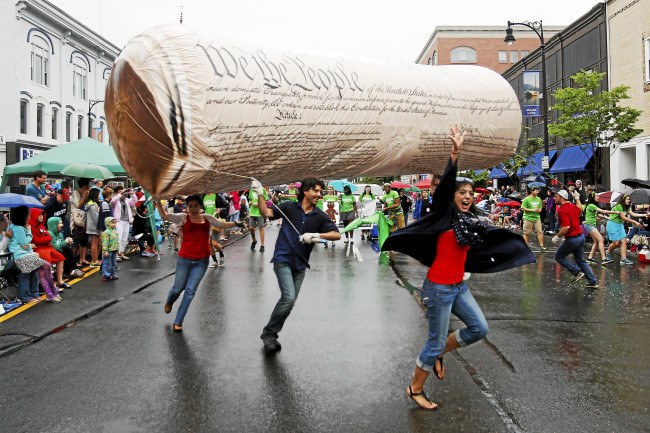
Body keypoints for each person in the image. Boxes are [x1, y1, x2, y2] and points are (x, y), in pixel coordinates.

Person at [381, 126, 534, 410]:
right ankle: (415, 388)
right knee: (433, 341)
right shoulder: (443, 215)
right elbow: (443, 191)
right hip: (438, 288)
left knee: (479, 328)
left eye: (470, 193)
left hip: (458, 286)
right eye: (461, 192)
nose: (467, 196)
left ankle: (441, 352)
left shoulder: (470, 223)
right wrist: (455, 153)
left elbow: (485, 243)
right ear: (451, 196)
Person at [252, 177, 341, 355]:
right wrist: (260, 194)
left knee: (289, 303)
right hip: (282, 259)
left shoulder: (320, 215)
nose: (319, 194)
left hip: (300, 264)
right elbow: (267, 214)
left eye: (320, 192)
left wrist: (317, 235)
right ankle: (269, 335)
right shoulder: (288, 207)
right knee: (289, 298)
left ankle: (270, 333)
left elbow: (336, 235)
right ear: (306, 191)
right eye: (315, 191)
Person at [154, 195, 243, 332]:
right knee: (178, 289)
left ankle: (178, 321)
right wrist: (158, 202)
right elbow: (165, 216)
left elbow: (222, 224)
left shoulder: (207, 218)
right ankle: (170, 300)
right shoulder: (182, 217)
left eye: (196, 206)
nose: (193, 209)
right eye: (190, 206)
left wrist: (237, 223)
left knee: (190, 291)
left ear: (200, 206)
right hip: (184, 260)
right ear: (187, 207)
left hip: (201, 261)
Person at [8, 206, 61, 303]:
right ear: (23, 216)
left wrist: (28, 245)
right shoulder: (19, 228)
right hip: (22, 257)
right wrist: (29, 232)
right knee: (46, 266)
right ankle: (51, 292)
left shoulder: (14, 227)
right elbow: (26, 243)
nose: (29, 217)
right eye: (28, 215)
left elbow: (26, 245)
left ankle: (47, 294)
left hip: (26, 254)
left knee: (40, 271)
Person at [551, 189, 599, 288]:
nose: (554, 198)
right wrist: (577, 198)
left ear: (562, 198)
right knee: (581, 260)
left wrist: (557, 236)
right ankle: (593, 282)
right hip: (581, 237)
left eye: (556, 197)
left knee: (558, 256)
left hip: (572, 239)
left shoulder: (562, 210)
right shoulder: (572, 206)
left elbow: (566, 227)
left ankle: (577, 272)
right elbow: (579, 209)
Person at [29, 208, 70, 290]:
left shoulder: (41, 226)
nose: (41, 217)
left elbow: (48, 238)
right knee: (48, 262)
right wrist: (45, 239)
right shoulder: (31, 227)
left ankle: (59, 281)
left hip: (47, 247)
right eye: (39, 215)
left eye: (42, 215)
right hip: (39, 249)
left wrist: (44, 239)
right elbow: (37, 241)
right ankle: (52, 286)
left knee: (61, 258)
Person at [606, 194, 645, 265]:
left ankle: (623, 259)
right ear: (623, 200)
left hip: (620, 225)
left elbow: (633, 214)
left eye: (629, 199)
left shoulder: (626, 207)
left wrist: (644, 215)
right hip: (612, 224)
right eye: (627, 199)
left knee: (624, 241)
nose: (629, 201)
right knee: (616, 243)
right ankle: (608, 252)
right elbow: (623, 217)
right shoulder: (619, 206)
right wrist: (634, 222)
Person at [582, 192, 613, 265]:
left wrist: (605, 217)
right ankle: (604, 259)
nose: (598, 197)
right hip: (590, 225)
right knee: (601, 240)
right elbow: (602, 211)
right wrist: (615, 212)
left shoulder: (591, 206)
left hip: (591, 225)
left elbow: (596, 215)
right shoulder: (591, 205)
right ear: (593, 198)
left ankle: (590, 258)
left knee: (596, 242)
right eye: (596, 196)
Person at [110, 186, 137, 262]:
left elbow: (135, 201)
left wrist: (132, 194)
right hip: (118, 221)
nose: (122, 193)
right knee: (118, 238)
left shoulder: (126, 200)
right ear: (116, 192)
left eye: (123, 191)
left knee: (124, 239)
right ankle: (116, 255)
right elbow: (112, 202)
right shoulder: (115, 200)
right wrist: (119, 194)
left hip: (127, 221)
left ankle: (121, 253)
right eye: (119, 191)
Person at [70, 178, 91, 267]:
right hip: (76, 220)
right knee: (75, 242)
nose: (90, 186)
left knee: (84, 241)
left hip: (85, 219)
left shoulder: (86, 193)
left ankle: (82, 259)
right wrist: (84, 196)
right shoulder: (75, 193)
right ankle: (72, 261)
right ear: (85, 185)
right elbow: (78, 205)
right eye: (89, 184)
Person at [521, 186, 546, 251]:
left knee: (540, 232)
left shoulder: (539, 199)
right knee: (526, 233)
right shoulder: (526, 199)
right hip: (528, 218)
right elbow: (523, 208)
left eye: (538, 191)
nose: (537, 192)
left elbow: (540, 208)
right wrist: (532, 210)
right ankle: (525, 247)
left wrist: (539, 210)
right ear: (532, 191)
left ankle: (541, 246)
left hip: (537, 217)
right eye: (536, 191)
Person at [248, 184, 269, 252]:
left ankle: (262, 245)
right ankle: (254, 240)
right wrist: (250, 202)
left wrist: (259, 203)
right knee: (251, 228)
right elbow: (250, 199)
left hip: (260, 212)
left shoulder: (263, 189)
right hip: (252, 212)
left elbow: (266, 200)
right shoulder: (251, 190)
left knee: (261, 228)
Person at [84, 188, 102, 267]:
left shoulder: (90, 204)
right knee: (95, 243)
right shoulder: (93, 206)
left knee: (98, 243)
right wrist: (101, 227)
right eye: (98, 194)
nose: (99, 196)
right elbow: (96, 218)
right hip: (95, 227)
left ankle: (95, 259)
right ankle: (94, 260)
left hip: (92, 226)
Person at [101, 217, 119, 281]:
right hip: (108, 250)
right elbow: (105, 242)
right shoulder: (106, 232)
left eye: (115, 223)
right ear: (107, 223)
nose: (114, 224)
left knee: (114, 263)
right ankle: (106, 275)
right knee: (107, 263)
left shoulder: (115, 231)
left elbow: (117, 241)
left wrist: (117, 248)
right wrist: (105, 251)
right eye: (112, 223)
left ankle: (112, 274)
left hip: (114, 249)